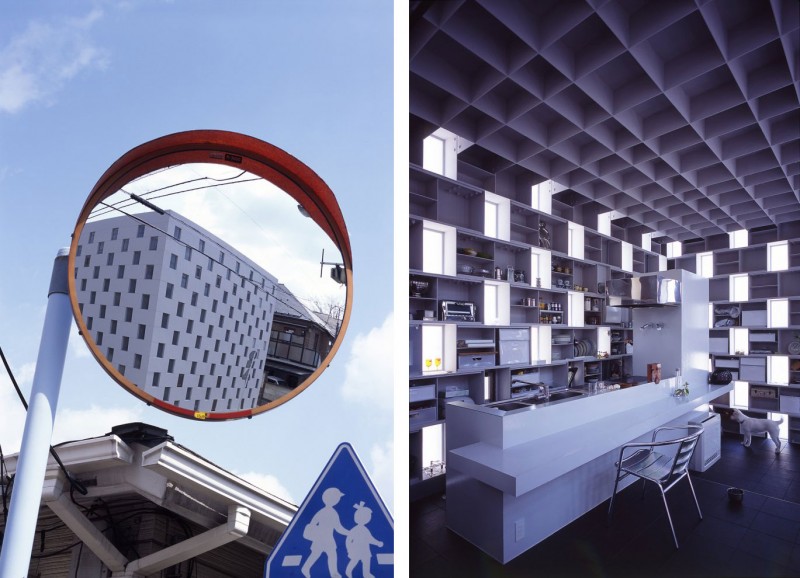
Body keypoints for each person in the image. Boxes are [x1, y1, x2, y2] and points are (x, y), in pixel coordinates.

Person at [301, 487, 349, 578]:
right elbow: (338, 528)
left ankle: (332, 572)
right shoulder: (331, 512)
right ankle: (307, 568)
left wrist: (348, 533)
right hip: (323, 538)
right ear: (333, 499)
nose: (338, 500)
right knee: (326, 554)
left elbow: (313, 523)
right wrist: (349, 533)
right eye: (337, 498)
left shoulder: (324, 512)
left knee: (325, 554)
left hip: (326, 538)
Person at [345, 501, 383, 578]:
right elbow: (348, 540)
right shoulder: (354, 530)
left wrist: (377, 543)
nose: (368, 519)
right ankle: (348, 571)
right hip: (356, 550)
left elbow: (370, 539)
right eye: (367, 517)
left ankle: (366, 574)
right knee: (354, 561)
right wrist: (349, 549)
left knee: (366, 560)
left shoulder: (365, 529)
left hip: (365, 550)